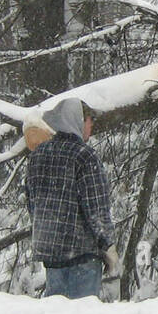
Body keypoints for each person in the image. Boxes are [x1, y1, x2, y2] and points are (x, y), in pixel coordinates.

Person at [23, 101, 117, 299]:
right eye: (90, 121)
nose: (91, 126)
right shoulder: (84, 156)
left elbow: (32, 204)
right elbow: (96, 208)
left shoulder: (37, 155)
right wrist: (108, 245)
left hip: (51, 254)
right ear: (79, 120)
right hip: (82, 255)